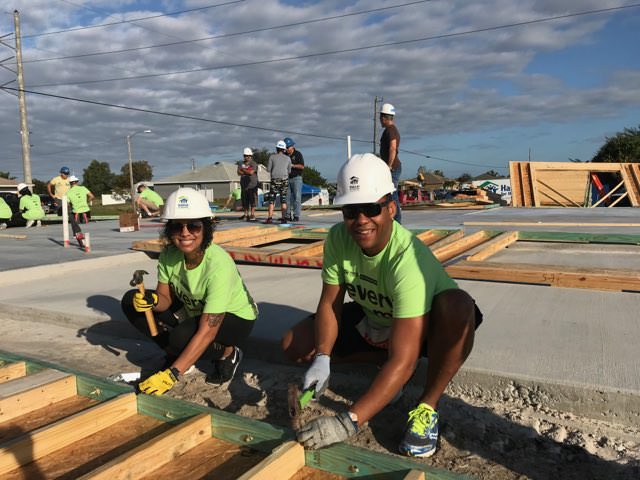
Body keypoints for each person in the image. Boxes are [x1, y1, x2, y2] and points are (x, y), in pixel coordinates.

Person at [281, 153, 482, 457]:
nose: (361, 220)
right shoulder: (338, 238)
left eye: (371, 208)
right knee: (294, 345)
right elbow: (330, 303)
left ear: (391, 208)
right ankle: (386, 372)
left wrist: (348, 421)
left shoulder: (407, 259)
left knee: (457, 305)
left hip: (429, 327)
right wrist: (323, 356)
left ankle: (427, 406)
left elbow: (405, 358)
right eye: (351, 211)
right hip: (376, 317)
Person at [121, 187, 258, 395]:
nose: (185, 233)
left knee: (181, 338)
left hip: (235, 318)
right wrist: (152, 300)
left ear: (206, 228)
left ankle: (228, 353)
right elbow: (165, 299)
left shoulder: (218, 265)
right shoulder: (169, 255)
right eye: (177, 226)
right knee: (131, 301)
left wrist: (172, 374)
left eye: (193, 226)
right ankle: (175, 355)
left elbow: (208, 330)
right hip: (196, 309)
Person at [379, 103, 402, 223]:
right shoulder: (391, 130)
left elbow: (393, 147)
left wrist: (389, 166)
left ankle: (397, 222)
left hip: (392, 168)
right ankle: (393, 220)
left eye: (380, 117)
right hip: (392, 167)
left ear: (383, 117)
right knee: (390, 195)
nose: (380, 120)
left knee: (392, 196)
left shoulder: (390, 130)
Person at [266, 140, 292, 224]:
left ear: (276, 148)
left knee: (272, 200)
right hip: (284, 180)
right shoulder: (288, 158)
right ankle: (284, 219)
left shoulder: (272, 157)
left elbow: (268, 169)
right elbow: (289, 171)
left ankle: (269, 218)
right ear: (284, 149)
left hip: (274, 179)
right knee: (283, 200)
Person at [284, 137, 304, 222]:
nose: (286, 149)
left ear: (292, 146)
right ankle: (287, 215)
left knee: (297, 198)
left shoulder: (298, 154)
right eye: (285, 148)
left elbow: (302, 166)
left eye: (287, 147)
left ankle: (296, 215)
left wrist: (292, 165)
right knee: (287, 198)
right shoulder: (284, 155)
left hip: (296, 178)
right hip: (287, 178)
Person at [237, 147, 259, 222]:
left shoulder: (253, 163)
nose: (246, 157)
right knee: (245, 200)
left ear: (250, 156)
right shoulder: (241, 163)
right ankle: (246, 214)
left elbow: (251, 173)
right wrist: (246, 171)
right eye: (245, 155)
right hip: (244, 185)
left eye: (247, 156)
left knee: (253, 200)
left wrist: (243, 170)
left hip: (252, 185)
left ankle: (252, 214)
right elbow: (238, 172)